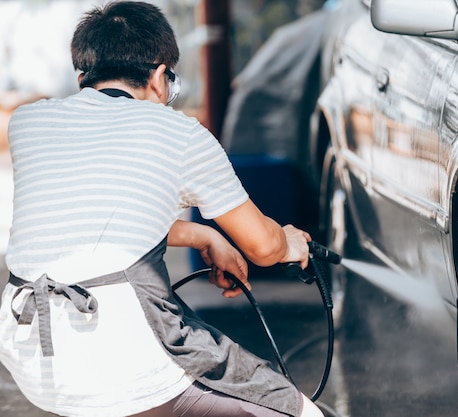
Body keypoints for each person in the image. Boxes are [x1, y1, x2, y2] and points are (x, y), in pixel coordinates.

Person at [0, 2, 323, 417]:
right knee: (301, 412)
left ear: (82, 77)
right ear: (158, 76)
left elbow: (101, 217)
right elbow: (262, 247)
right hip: (124, 356)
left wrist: (202, 234)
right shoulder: (179, 132)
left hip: (31, 355)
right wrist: (292, 244)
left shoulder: (28, 124)